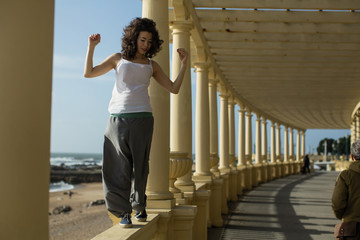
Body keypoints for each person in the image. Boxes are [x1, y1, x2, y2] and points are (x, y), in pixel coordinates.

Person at [84, 17, 188, 228]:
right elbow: (89, 73)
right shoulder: (117, 59)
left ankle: (139, 207)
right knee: (117, 167)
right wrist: (91, 47)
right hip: (117, 119)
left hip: (143, 119)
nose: (146, 45)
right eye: (142, 39)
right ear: (134, 38)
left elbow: (174, 88)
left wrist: (185, 65)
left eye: (149, 41)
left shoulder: (152, 65)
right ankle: (123, 213)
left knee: (141, 167)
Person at [332, 140, 360, 238]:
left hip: (352, 230)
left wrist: (344, 216)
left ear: (352, 157)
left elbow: (337, 202)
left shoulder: (346, 176)